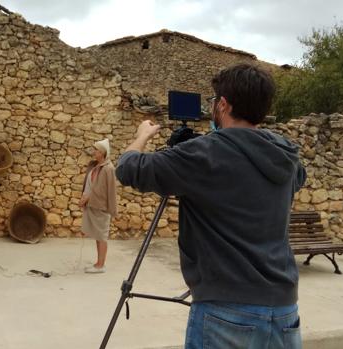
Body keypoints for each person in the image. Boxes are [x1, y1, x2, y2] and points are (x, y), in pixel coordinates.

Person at [115, 64, 307, 348]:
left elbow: (129, 168)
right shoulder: (286, 156)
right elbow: (291, 177)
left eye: (214, 100)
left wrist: (142, 136)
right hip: (284, 311)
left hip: (225, 311)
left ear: (224, 104)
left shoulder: (204, 154)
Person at [80, 139, 118, 274]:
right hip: (92, 205)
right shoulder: (95, 166)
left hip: (101, 207)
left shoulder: (108, 169)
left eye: (96, 149)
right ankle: (98, 263)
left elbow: (111, 190)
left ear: (102, 152)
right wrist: (84, 198)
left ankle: (101, 266)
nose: (94, 151)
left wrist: (112, 209)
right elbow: (91, 185)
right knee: (97, 235)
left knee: (101, 236)